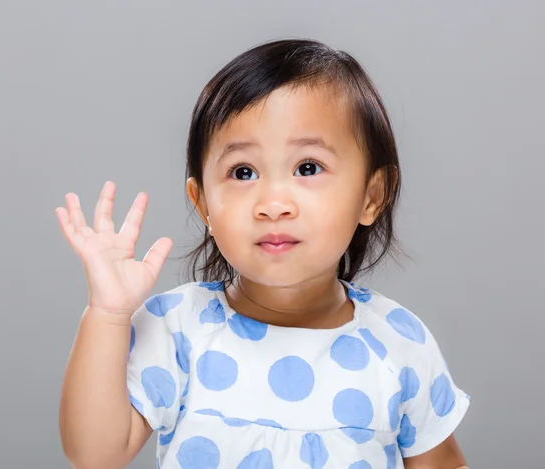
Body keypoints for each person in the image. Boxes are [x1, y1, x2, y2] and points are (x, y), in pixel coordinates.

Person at [56, 39, 470, 469]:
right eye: (243, 172)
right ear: (204, 205)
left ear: (371, 195)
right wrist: (107, 313)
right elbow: (94, 454)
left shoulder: (398, 343)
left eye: (307, 167)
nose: (273, 203)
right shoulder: (177, 330)